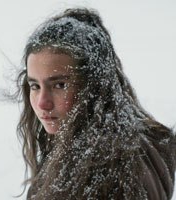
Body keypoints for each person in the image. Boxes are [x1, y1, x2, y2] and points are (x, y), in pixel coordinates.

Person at [13, 7, 176, 199]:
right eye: (35, 86)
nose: (42, 103)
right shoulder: (138, 142)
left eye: (59, 84)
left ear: (94, 86)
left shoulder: (104, 175)